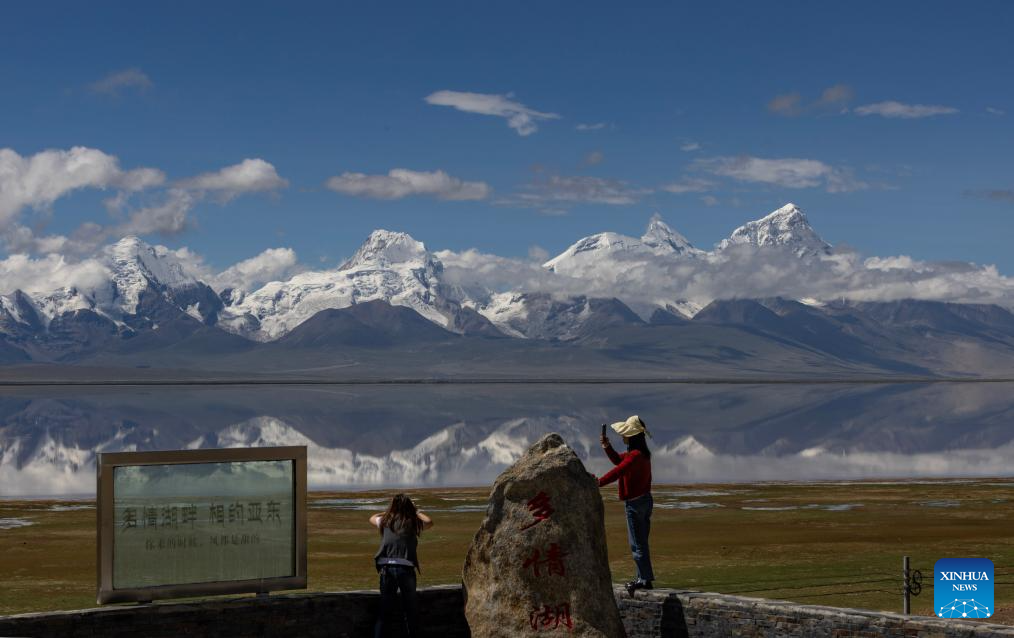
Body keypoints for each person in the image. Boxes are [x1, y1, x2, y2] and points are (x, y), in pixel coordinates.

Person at [597, 415, 655, 596]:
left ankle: (644, 580)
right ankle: (642, 577)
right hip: (645, 501)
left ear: (631, 435)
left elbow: (618, 470)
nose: (623, 437)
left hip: (635, 504)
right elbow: (617, 461)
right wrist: (607, 446)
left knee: (637, 544)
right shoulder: (640, 455)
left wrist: (597, 482)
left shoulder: (634, 457)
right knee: (641, 542)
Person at [369, 494, 433, 638]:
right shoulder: (413, 521)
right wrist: (416, 511)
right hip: (406, 569)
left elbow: (371, 518)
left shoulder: (385, 521)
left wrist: (386, 512)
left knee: (384, 613)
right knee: (410, 612)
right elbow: (429, 522)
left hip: (387, 569)